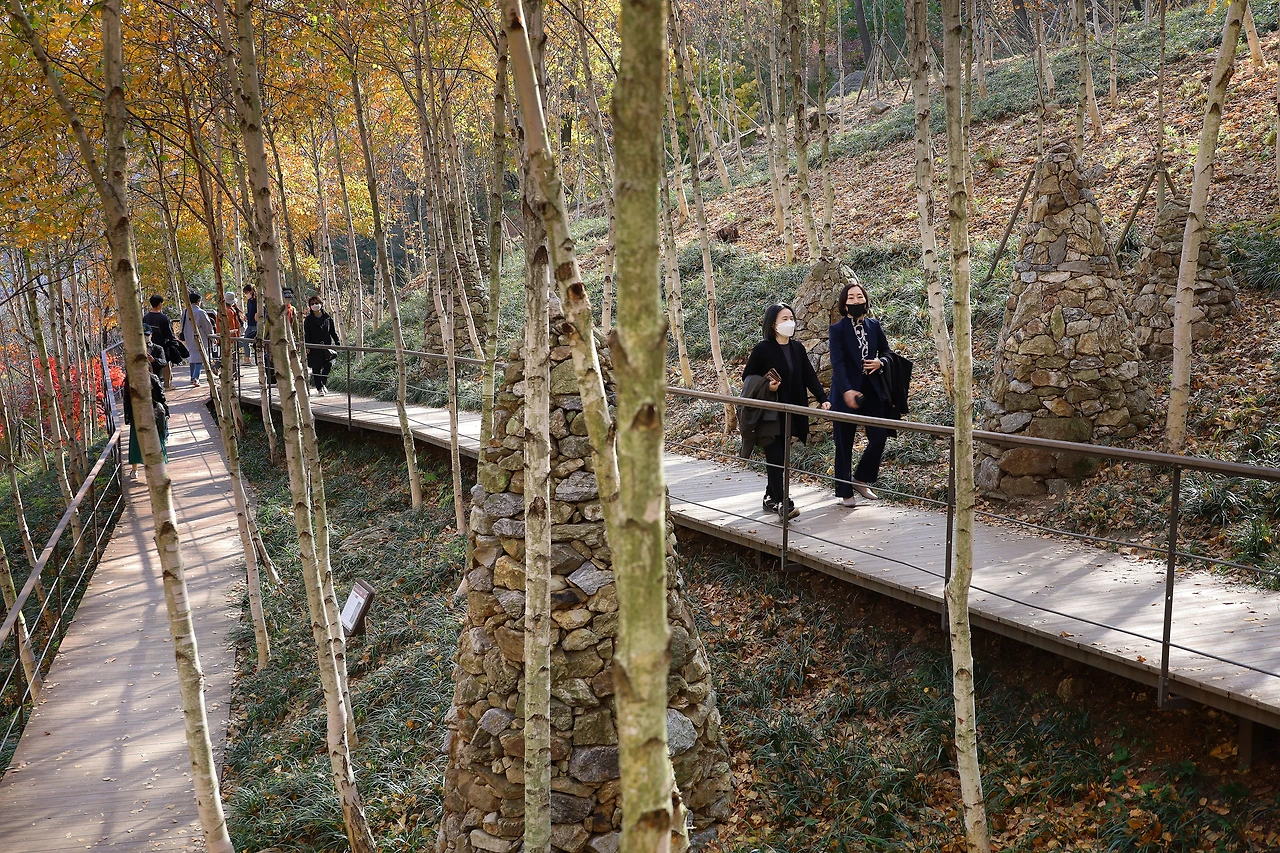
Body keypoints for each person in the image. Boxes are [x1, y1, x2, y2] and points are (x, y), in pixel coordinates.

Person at [742, 303, 830, 520]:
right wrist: (767, 385)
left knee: (779, 458)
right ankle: (784, 502)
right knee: (776, 456)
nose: (789, 322)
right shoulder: (762, 349)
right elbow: (748, 377)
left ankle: (769, 497)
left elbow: (808, 375)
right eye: (784, 318)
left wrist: (823, 399)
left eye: (791, 317)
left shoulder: (797, 348)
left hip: (790, 412)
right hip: (769, 415)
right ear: (773, 324)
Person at [829, 279, 893, 507]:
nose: (857, 300)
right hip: (845, 390)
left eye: (860, 296)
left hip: (872, 390)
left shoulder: (874, 325)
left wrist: (880, 362)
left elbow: (887, 351)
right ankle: (845, 491)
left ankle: (861, 479)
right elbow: (837, 364)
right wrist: (847, 390)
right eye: (851, 298)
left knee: (880, 436)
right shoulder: (837, 330)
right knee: (843, 443)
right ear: (845, 305)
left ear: (865, 300)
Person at [123, 363, 169, 479]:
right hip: (154, 415)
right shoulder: (153, 378)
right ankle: (158, 470)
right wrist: (166, 412)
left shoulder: (129, 380)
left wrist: (128, 417)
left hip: (137, 415)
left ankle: (134, 471)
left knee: (136, 442)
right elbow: (161, 397)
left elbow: (127, 401)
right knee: (157, 441)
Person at [303, 294, 340, 396]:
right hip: (314, 347)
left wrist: (337, 341)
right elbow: (307, 334)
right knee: (316, 368)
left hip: (327, 346)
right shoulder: (308, 320)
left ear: (321, 304)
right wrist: (308, 346)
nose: (315, 305)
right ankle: (319, 388)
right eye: (312, 304)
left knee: (328, 365)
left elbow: (332, 331)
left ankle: (323, 383)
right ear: (310, 306)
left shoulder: (327, 317)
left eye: (317, 303)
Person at [179, 291, 215, 387]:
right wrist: (212, 336)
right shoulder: (200, 312)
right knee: (200, 356)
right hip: (199, 336)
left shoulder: (185, 311)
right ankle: (196, 377)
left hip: (188, 336)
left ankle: (192, 376)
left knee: (192, 356)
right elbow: (207, 326)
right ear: (198, 301)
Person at [142, 295, 176, 389]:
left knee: (150, 364)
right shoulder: (163, 318)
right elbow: (169, 333)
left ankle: (152, 385)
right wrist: (173, 341)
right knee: (165, 364)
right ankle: (167, 385)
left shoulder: (146, 317)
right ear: (160, 304)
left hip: (149, 344)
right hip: (162, 344)